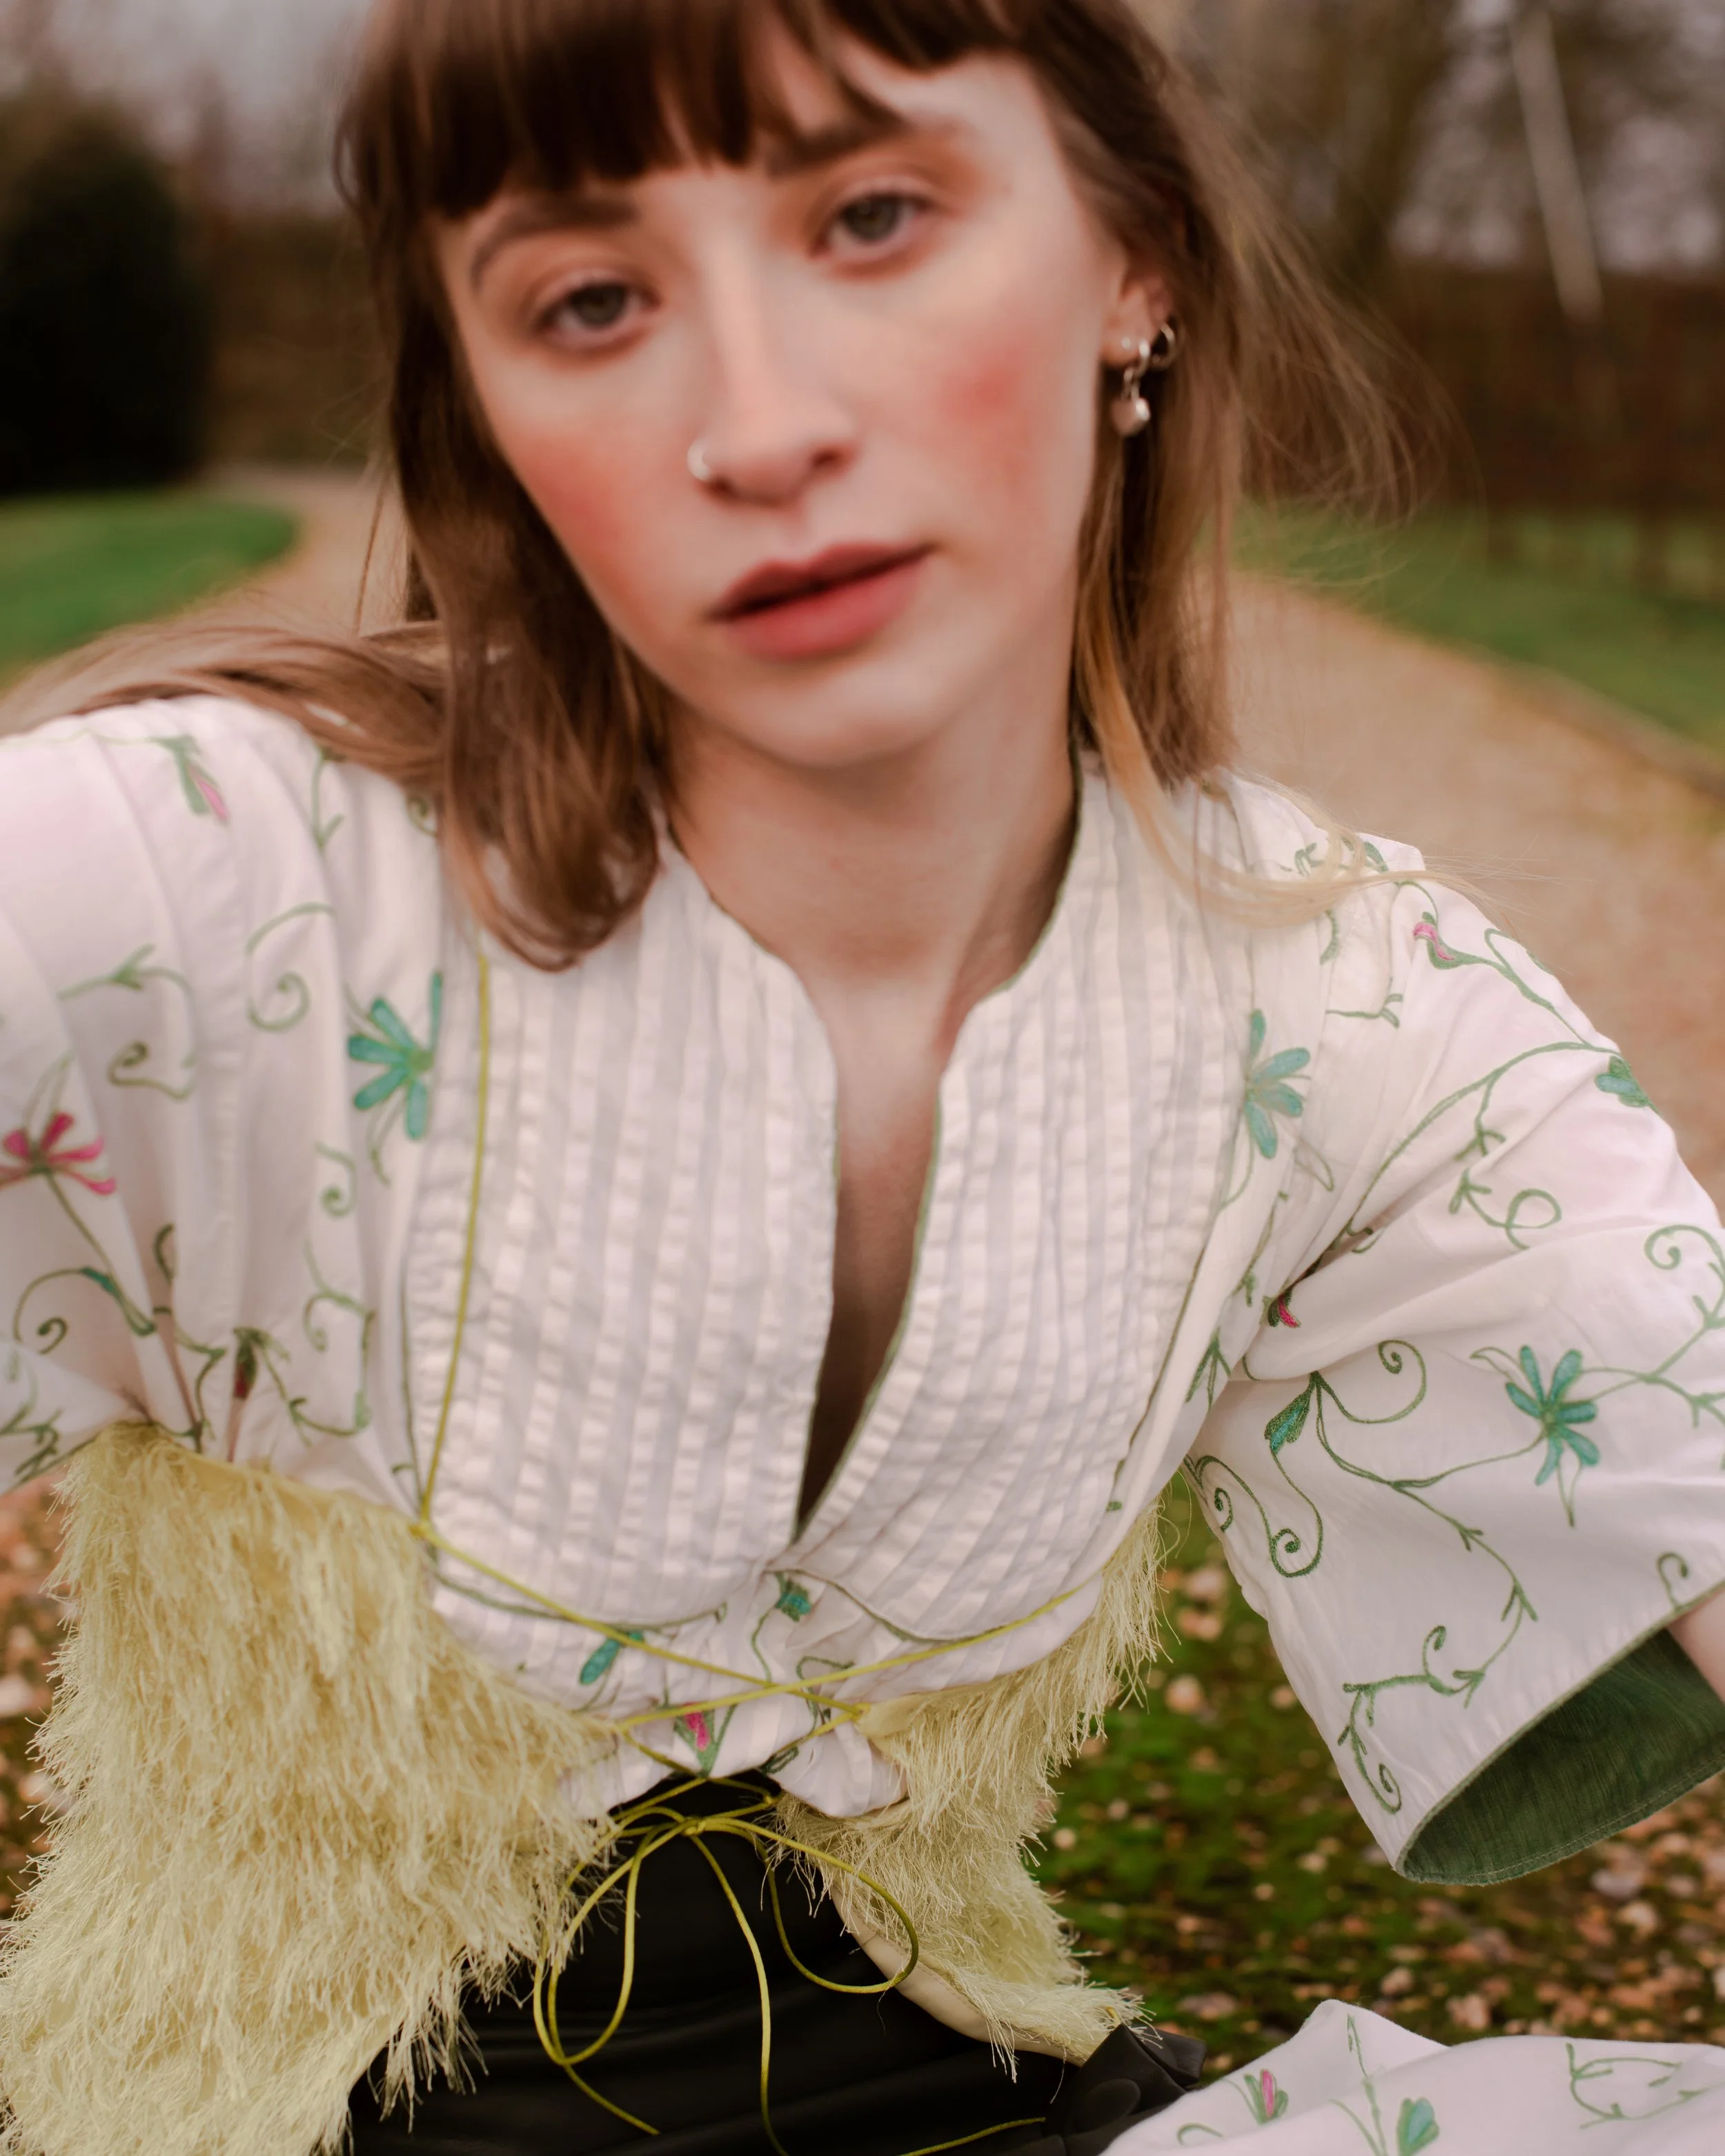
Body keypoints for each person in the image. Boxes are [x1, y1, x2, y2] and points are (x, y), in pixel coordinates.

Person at [1, 2, 1724, 2153]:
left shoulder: (1334, 992)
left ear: (1135, 261)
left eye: (873, 213)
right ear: (486, 404)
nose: (757, 422)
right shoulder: (189, 883)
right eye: (592, 298)